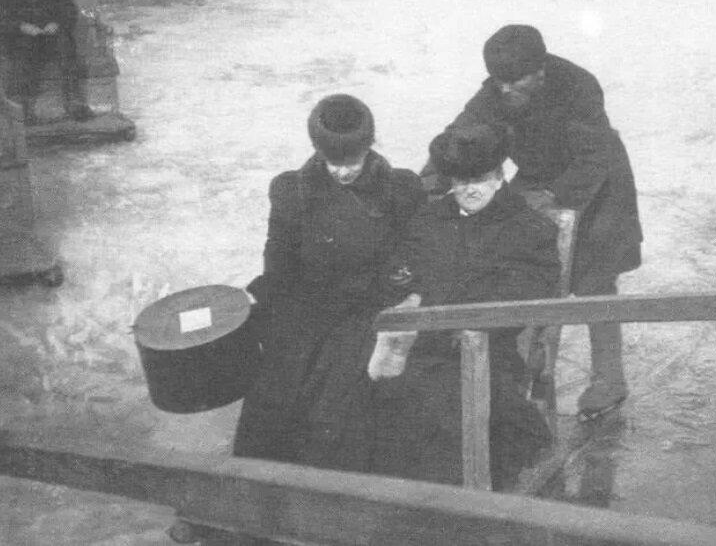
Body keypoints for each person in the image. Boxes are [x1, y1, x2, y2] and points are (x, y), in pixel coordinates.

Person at [424, 24, 642, 419]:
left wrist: (555, 197)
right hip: (540, 173)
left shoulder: (577, 86)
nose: (506, 90)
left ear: (539, 70)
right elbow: (464, 132)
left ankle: (609, 379)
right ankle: (529, 353)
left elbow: (594, 156)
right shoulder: (498, 91)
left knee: (595, 282)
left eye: (516, 81)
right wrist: (429, 182)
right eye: (499, 82)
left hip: (598, 183)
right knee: (524, 256)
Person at [232, 93, 425, 471]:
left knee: (338, 393)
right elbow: (280, 255)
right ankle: (256, 488)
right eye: (333, 162)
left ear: (368, 148)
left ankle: (329, 491)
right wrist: (267, 296)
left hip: (371, 308)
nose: (342, 172)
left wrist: (390, 293)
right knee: (276, 380)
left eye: (351, 161)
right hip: (308, 303)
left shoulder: (400, 189)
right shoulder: (292, 190)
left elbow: (410, 255)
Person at [367, 124, 560, 490]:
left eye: (480, 179)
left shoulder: (529, 229)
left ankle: (451, 505)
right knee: (362, 390)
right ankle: (397, 499)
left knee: (438, 403)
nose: (469, 190)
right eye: (460, 180)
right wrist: (407, 291)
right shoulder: (430, 219)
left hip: (489, 348)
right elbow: (401, 268)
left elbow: (527, 293)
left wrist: (457, 309)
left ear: (500, 175)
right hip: (423, 344)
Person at [0, 0, 90, 123]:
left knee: (65, 45)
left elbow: (69, 11)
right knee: (23, 55)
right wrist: (20, 26)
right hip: (20, 40)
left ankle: (74, 101)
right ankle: (24, 108)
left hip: (52, 38)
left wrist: (56, 23)